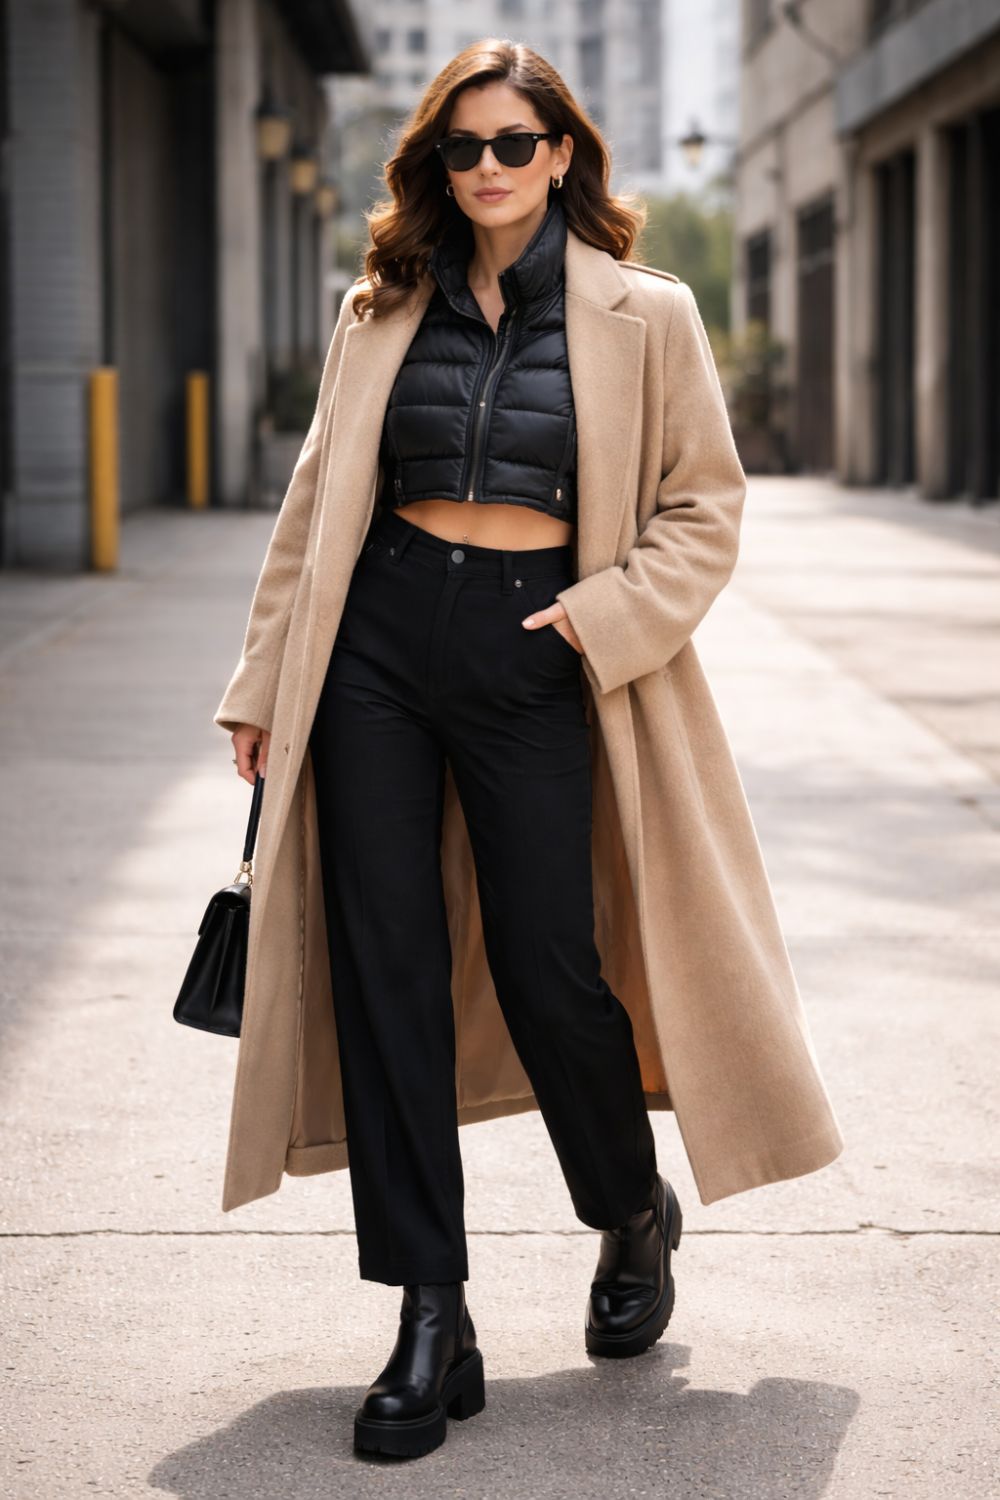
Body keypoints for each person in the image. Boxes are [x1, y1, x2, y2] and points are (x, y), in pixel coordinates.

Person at [220, 38, 842, 1463]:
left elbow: (705, 507)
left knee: (553, 967)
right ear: (436, 166)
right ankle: (430, 1311)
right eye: (463, 148)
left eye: (514, 143)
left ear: (561, 154)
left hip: (538, 647)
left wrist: (598, 621)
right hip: (377, 645)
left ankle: (629, 1207)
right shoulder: (381, 306)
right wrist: (261, 683)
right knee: (386, 970)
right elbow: (316, 505)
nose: (489, 168)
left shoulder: (647, 312)